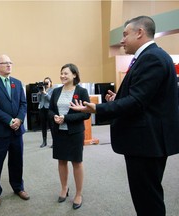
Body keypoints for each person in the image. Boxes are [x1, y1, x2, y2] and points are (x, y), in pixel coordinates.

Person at [69, 16, 179, 216]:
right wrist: (117, 100)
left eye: (125, 34)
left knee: (148, 199)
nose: (122, 40)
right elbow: (146, 98)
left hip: (147, 143)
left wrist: (98, 109)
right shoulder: (151, 57)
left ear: (140, 33)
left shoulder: (152, 58)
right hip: (146, 141)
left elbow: (137, 101)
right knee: (147, 195)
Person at [0, 54, 29, 209]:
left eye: (10, 62)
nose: (9, 65)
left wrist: (19, 119)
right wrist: (10, 121)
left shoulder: (17, 83)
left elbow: (23, 104)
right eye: (5, 63)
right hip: (0, 131)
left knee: (17, 161)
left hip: (17, 131)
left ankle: (18, 187)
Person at [49, 63, 91, 210]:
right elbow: (50, 110)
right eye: (61, 73)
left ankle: (79, 193)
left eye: (66, 73)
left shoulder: (82, 91)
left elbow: (86, 114)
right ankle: (64, 188)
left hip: (74, 133)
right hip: (59, 132)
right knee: (61, 161)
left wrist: (65, 118)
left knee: (76, 162)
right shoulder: (56, 92)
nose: (62, 76)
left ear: (74, 75)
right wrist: (55, 116)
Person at [37, 77, 54, 148]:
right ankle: (44, 142)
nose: (46, 84)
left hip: (49, 109)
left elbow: (51, 100)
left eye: (48, 82)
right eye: (45, 83)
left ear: (50, 83)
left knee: (51, 126)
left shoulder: (53, 90)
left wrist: (45, 93)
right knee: (43, 126)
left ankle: (54, 142)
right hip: (42, 109)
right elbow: (39, 100)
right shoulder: (41, 90)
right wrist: (39, 94)